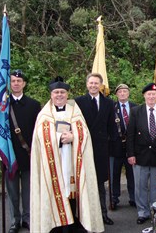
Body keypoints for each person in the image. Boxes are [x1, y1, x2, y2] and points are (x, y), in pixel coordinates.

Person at [30, 76, 104, 233]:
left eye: (62, 92)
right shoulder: (44, 114)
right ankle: (55, 225)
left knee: (72, 192)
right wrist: (58, 138)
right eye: (56, 92)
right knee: (54, 189)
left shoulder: (74, 111)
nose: (59, 95)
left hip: (71, 160)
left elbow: (85, 133)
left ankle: (73, 224)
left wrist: (74, 137)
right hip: (52, 165)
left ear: (67, 94)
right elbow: (39, 137)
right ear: (51, 94)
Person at [127, 83, 156, 225]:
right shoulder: (136, 111)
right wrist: (131, 154)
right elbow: (130, 135)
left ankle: (155, 210)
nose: (151, 96)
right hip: (140, 155)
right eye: (149, 94)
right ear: (144, 95)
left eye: (154, 94)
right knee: (140, 186)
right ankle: (142, 212)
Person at [75, 73, 117, 225]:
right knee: (84, 183)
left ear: (100, 85)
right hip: (83, 147)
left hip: (101, 149)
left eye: (96, 83)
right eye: (91, 83)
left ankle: (102, 214)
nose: (93, 86)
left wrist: (112, 147)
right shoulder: (78, 102)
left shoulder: (108, 103)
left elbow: (112, 127)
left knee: (99, 183)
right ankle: (84, 216)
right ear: (87, 84)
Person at [7, 69, 41, 233]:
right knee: (12, 192)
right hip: (10, 156)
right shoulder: (2, 107)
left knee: (28, 191)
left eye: (19, 81)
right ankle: (15, 220)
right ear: (10, 83)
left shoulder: (34, 105)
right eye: (13, 81)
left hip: (28, 155)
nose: (16, 83)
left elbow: (39, 131)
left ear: (24, 84)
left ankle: (27, 218)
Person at [110, 83, 136, 209]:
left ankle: (133, 198)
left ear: (128, 93)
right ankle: (114, 198)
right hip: (116, 147)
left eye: (125, 91)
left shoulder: (135, 107)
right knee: (115, 174)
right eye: (120, 92)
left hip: (131, 147)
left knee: (131, 173)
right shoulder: (112, 108)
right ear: (116, 94)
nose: (122, 94)